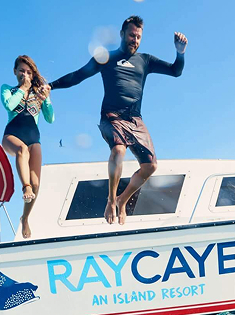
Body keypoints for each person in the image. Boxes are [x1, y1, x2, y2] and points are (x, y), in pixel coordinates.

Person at [49, 15, 188, 224]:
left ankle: (123, 199)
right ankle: (111, 200)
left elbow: (176, 71)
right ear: (122, 34)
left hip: (135, 119)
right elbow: (78, 76)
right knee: (119, 151)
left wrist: (180, 52)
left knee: (150, 166)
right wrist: (51, 85)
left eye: (138, 37)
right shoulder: (105, 58)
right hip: (111, 116)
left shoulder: (145, 60)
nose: (135, 40)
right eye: (132, 35)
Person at [1, 55, 54, 239]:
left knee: (37, 184)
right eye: (22, 71)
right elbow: (9, 106)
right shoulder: (8, 89)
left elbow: (50, 118)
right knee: (21, 150)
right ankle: (25, 187)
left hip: (34, 138)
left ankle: (25, 218)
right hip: (12, 135)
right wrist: (22, 88)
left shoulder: (37, 94)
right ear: (15, 72)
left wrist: (46, 99)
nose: (25, 75)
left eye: (29, 72)